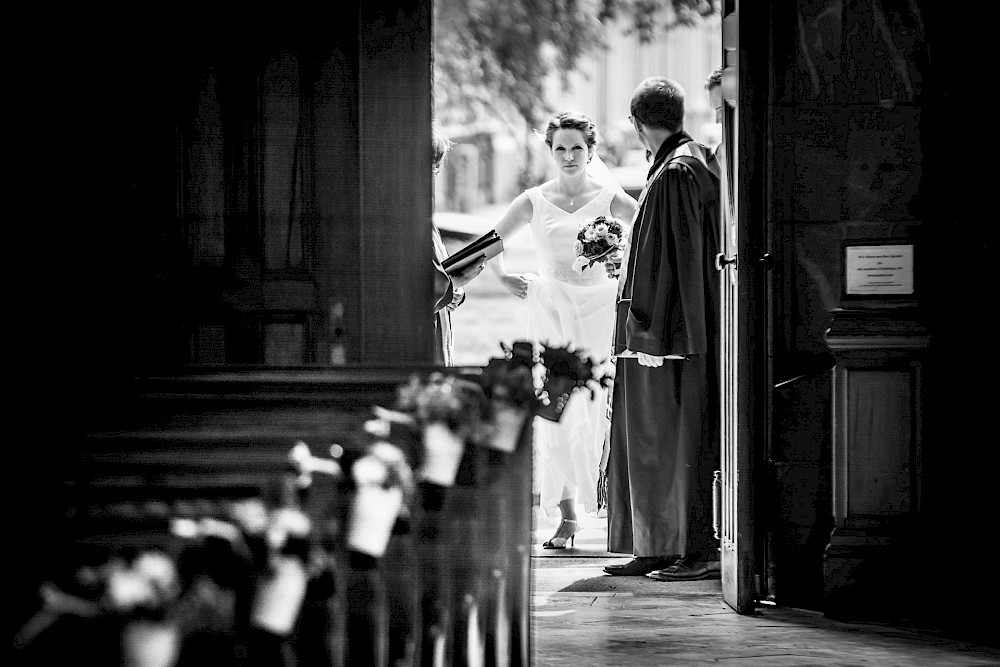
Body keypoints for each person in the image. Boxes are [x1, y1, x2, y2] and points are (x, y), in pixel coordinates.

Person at [487, 110, 637, 547]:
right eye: (561, 148)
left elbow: (647, 234)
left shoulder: (610, 199)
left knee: (598, 405)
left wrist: (620, 270)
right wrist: (503, 275)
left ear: (591, 152)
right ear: (550, 152)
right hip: (551, 308)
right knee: (556, 406)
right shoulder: (534, 200)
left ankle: (613, 509)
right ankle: (568, 516)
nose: (569, 156)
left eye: (577, 148)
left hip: (598, 307)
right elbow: (492, 240)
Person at [602, 77, 723, 580]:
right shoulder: (692, 160)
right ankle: (655, 545)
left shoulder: (676, 172)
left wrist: (647, 337)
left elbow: (672, 262)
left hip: (666, 338)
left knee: (669, 443)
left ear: (637, 124)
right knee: (660, 444)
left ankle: (692, 550)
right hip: (675, 331)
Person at [432, 122, 486, 366]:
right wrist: (458, 280)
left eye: (436, 170)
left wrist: (455, 292)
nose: (433, 177)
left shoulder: (425, 218)